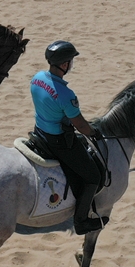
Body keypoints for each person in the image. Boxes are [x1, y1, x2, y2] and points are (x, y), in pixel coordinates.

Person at [30, 41, 107, 235]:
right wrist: (94, 132)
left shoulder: (37, 78)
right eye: (70, 61)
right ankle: (81, 221)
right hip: (58, 141)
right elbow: (80, 126)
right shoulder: (66, 94)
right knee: (93, 176)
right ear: (64, 64)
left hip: (40, 131)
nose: (71, 64)